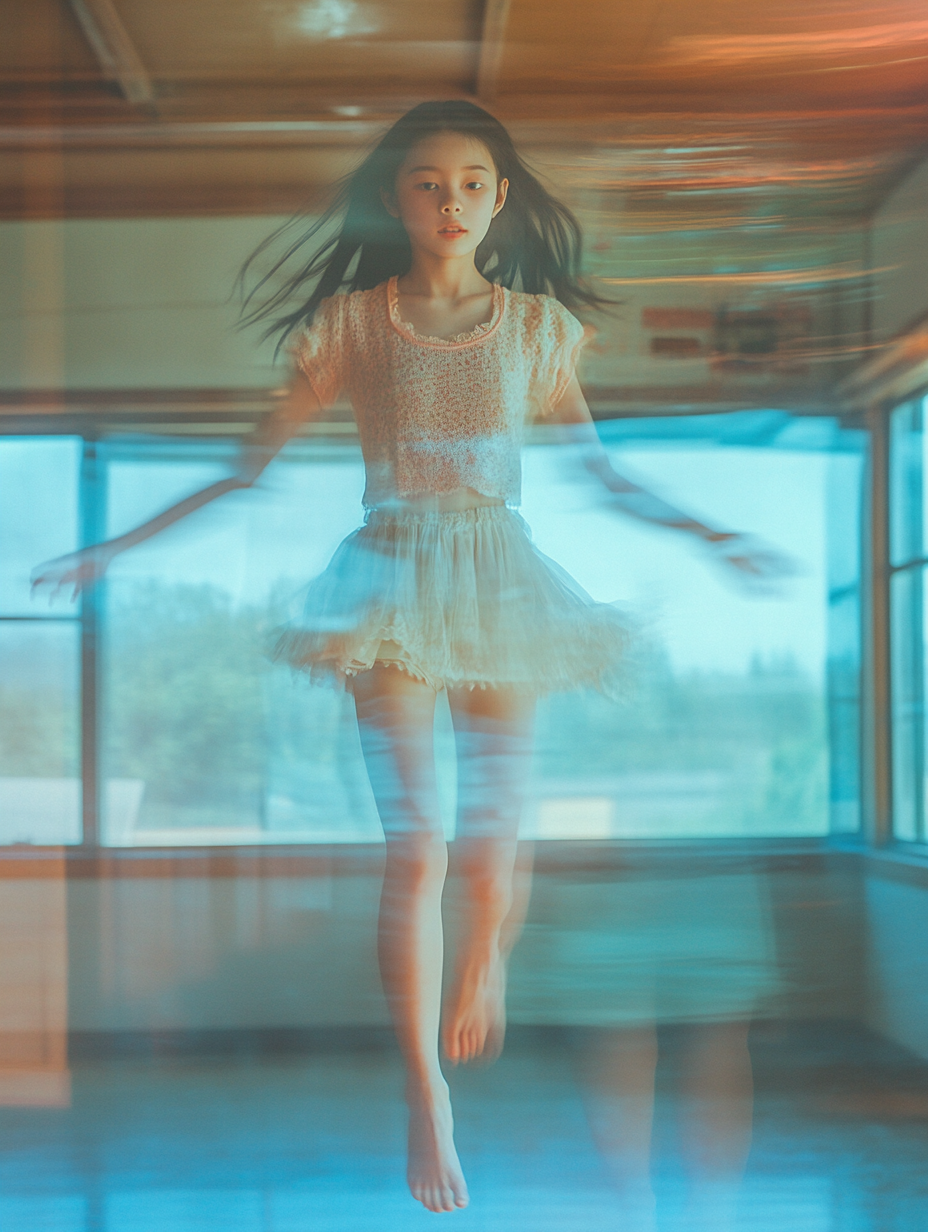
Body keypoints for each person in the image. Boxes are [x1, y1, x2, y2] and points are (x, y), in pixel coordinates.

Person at [33, 101, 784, 1214]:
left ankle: (487, 955)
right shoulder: (352, 323)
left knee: (490, 845)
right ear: (395, 198)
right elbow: (248, 469)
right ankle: (423, 1087)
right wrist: (113, 547)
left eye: (471, 181)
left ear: (499, 199)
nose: (450, 201)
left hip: (503, 581)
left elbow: (603, 476)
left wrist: (711, 532)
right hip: (385, 576)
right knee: (418, 847)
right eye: (427, 182)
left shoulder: (534, 331)